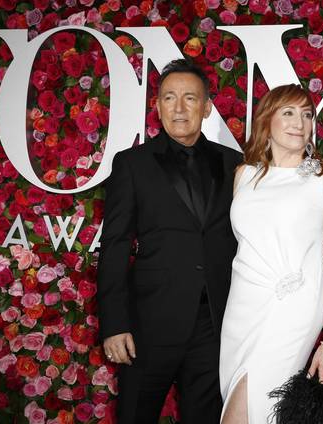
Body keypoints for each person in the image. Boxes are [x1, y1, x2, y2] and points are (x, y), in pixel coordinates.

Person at [97, 58, 242, 424]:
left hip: (214, 328)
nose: (179, 108)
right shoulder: (132, 164)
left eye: (190, 98)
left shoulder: (236, 165)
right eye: (169, 98)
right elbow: (114, 245)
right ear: (158, 105)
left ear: (206, 107)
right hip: (148, 325)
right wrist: (114, 324)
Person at [219, 84, 323, 423]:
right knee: (240, 403)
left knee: (252, 409)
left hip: (293, 305)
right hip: (242, 306)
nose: (300, 122)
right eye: (289, 113)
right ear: (267, 120)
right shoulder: (244, 175)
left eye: (307, 115)